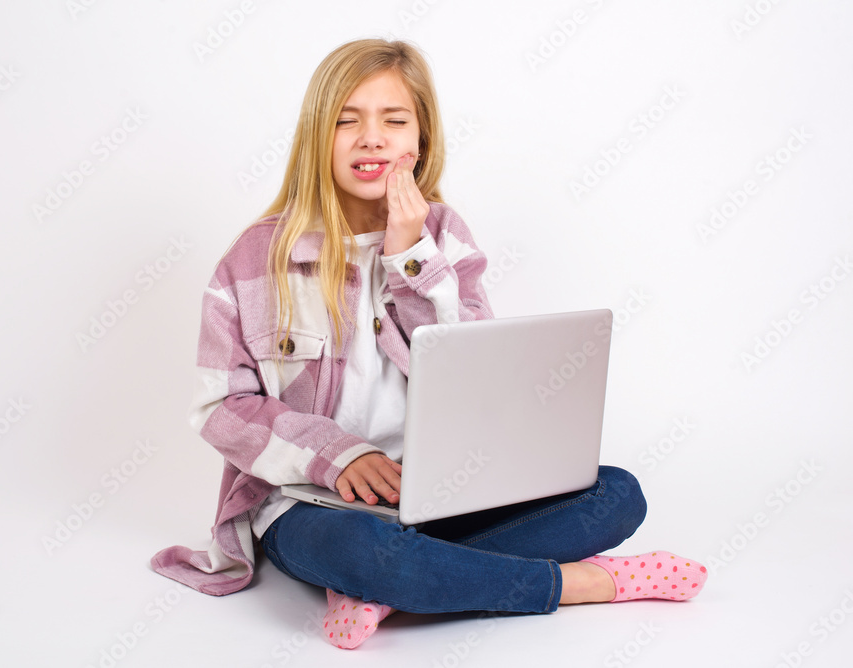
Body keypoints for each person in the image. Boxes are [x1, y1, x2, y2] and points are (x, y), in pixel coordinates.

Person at [151, 37, 707, 650]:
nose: (372, 138)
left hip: (440, 491)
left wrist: (411, 257)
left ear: (421, 138)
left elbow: (477, 376)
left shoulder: (444, 235)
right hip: (307, 502)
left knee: (617, 495)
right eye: (346, 120)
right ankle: (580, 584)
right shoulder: (255, 258)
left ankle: (392, 590)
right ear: (317, 137)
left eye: (394, 120)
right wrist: (338, 457)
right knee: (364, 551)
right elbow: (221, 405)